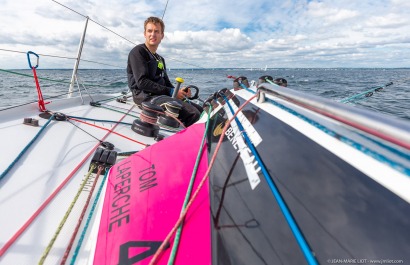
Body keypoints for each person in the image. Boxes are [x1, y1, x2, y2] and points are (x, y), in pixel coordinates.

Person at [127, 16, 200, 127]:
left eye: (157, 31)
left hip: (161, 95)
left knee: (201, 110)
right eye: (150, 31)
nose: (153, 34)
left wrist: (180, 92)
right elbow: (142, 82)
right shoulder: (138, 52)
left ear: (162, 35)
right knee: (193, 114)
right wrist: (170, 92)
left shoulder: (160, 59)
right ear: (144, 34)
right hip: (145, 97)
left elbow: (166, 83)